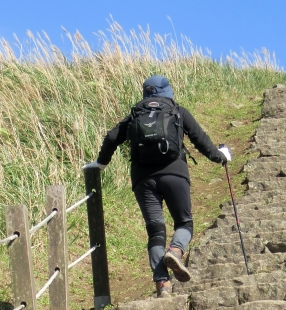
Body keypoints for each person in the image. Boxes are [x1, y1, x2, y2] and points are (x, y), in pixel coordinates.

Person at [84, 74, 231, 298]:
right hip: (175, 174)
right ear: (167, 92)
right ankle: (175, 251)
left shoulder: (135, 114)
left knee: (155, 231)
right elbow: (201, 140)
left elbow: (111, 138)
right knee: (184, 222)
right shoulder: (177, 111)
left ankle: (163, 284)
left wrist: (100, 164)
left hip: (143, 179)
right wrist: (221, 157)